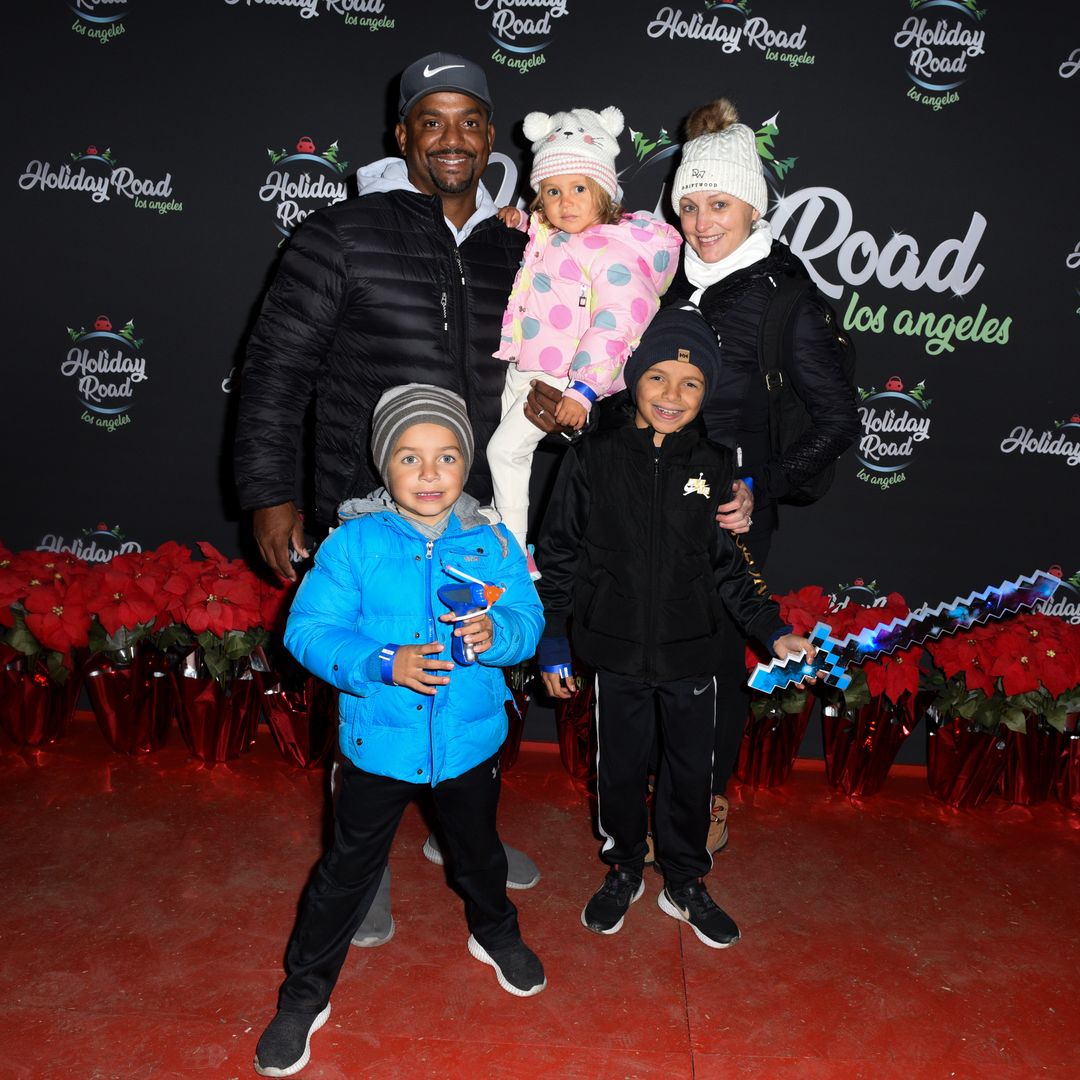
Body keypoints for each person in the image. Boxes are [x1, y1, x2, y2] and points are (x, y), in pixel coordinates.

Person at [233, 52, 540, 946]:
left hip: (472, 519)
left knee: (475, 672)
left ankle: (463, 834)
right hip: (364, 512)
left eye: (470, 121)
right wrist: (269, 494)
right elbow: (275, 374)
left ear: (491, 135)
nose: (453, 139)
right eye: (431, 122)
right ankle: (360, 866)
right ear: (400, 134)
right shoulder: (340, 235)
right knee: (376, 686)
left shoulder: (516, 248)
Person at [527, 97, 858, 854]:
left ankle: (704, 798)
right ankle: (631, 801)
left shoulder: (787, 298)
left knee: (710, 658)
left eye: (721, 204)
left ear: (754, 206)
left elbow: (840, 421)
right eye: (691, 205)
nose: (704, 221)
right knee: (638, 644)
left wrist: (759, 489)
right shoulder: (663, 272)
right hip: (639, 488)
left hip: (730, 508)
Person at [253, 384, 546, 1078]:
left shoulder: (493, 539)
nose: (429, 474)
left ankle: (494, 933)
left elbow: (528, 623)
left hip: (469, 746)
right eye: (410, 458)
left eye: (446, 457)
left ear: (465, 464)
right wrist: (383, 661)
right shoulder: (353, 543)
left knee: (478, 857)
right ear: (384, 466)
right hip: (376, 747)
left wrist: (496, 633)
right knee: (346, 874)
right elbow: (307, 630)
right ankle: (303, 995)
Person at [534, 304, 816, 948]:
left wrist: (773, 631)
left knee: (692, 772)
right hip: (614, 652)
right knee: (620, 770)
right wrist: (554, 641)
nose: (672, 395)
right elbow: (558, 558)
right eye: (657, 377)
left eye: (690, 384)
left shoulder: (717, 466)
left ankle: (685, 881)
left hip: (695, 654)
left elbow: (732, 571)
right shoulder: (590, 459)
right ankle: (624, 867)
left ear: (707, 394)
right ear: (633, 378)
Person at [487, 106, 681, 567]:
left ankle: (513, 555)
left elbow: (617, 322)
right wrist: (520, 220)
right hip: (526, 365)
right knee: (507, 460)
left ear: (606, 193)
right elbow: (544, 240)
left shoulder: (614, 248)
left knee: (504, 451)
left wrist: (584, 389)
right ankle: (503, 534)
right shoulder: (554, 231)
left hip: (565, 375)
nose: (566, 202)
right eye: (552, 191)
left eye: (579, 189)